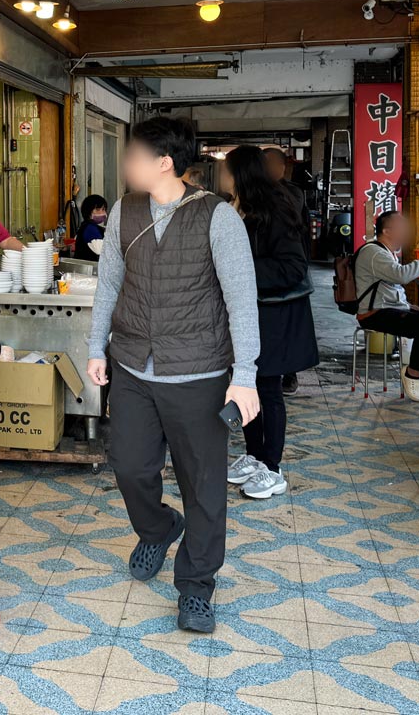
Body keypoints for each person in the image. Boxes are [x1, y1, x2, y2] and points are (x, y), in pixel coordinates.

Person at [86, 116, 260, 634]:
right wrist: (97, 347)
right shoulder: (124, 210)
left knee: (203, 486)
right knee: (130, 466)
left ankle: (196, 587)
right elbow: (109, 285)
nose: (127, 163)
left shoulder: (217, 217)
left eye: (135, 153)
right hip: (134, 365)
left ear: (164, 161)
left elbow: (241, 301)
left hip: (199, 371)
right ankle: (159, 528)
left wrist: (244, 374)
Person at [219, 147, 318, 500]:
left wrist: (241, 273)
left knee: (269, 391)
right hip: (251, 315)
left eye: (226, 170)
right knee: (247, 386)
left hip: (275, 318)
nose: (221, 176)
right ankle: (254, 455)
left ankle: (272, 468)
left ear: (241, 172)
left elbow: (293, 267)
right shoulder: (236, 207)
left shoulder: (275, 210)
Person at [353, 211, 419, 383]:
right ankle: (413, 375)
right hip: (374, 314)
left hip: (386, 309)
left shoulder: (385, 252)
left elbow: (390, 288)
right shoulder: (374, 252)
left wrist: (407, 305)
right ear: (387, 231)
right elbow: (400, 276)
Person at [263, 147, 310, 395]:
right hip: (274, 270)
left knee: (289, 324)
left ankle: (290, 374)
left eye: (272, 164)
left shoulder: (291, 192)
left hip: (288, 267)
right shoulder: (254, 194)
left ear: (282, 168)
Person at [74, 195, 109, 261]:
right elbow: (100, 249)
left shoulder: (87, 226)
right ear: (89, 211)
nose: (103, 213)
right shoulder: (90, 228)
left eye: (104, 209)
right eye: (98, 209)